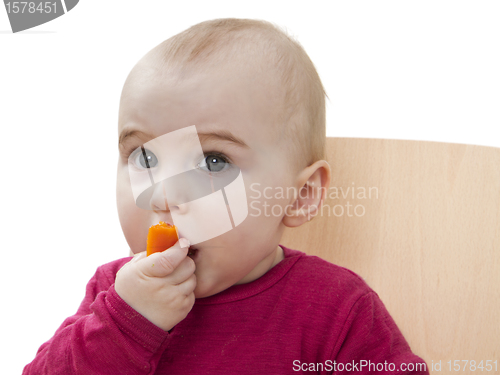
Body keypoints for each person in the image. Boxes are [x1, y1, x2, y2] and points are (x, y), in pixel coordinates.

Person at [23, 18, 429, 374]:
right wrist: (127, 323)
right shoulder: (114, 295)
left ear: (300, 195)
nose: (163, 194)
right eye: (144, 156)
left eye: (213, 162)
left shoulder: (337, 308)